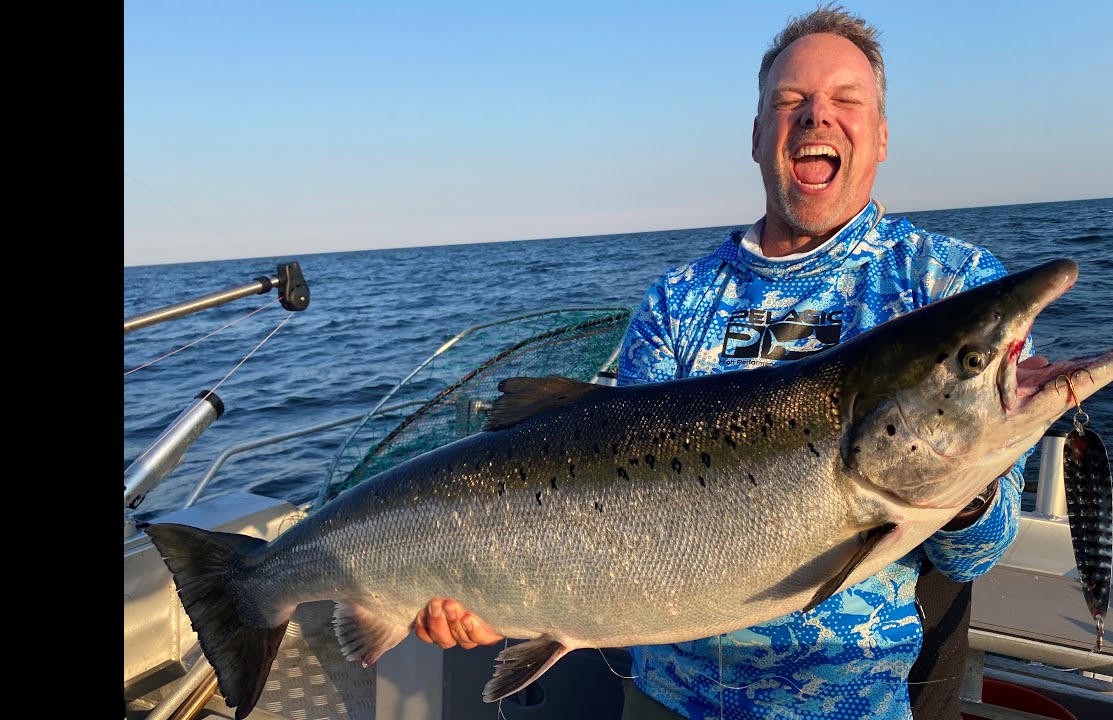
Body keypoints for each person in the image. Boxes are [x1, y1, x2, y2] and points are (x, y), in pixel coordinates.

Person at [414, 5, 1034, 719]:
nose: (815, 118)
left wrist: (961, 476)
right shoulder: (679, 301)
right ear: (757, 136)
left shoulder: (948, 289)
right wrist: (501, 593)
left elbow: (976, 556)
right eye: (790, 102)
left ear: (882, 135)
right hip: (666, 700)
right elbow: (617, 518)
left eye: (845, 100)